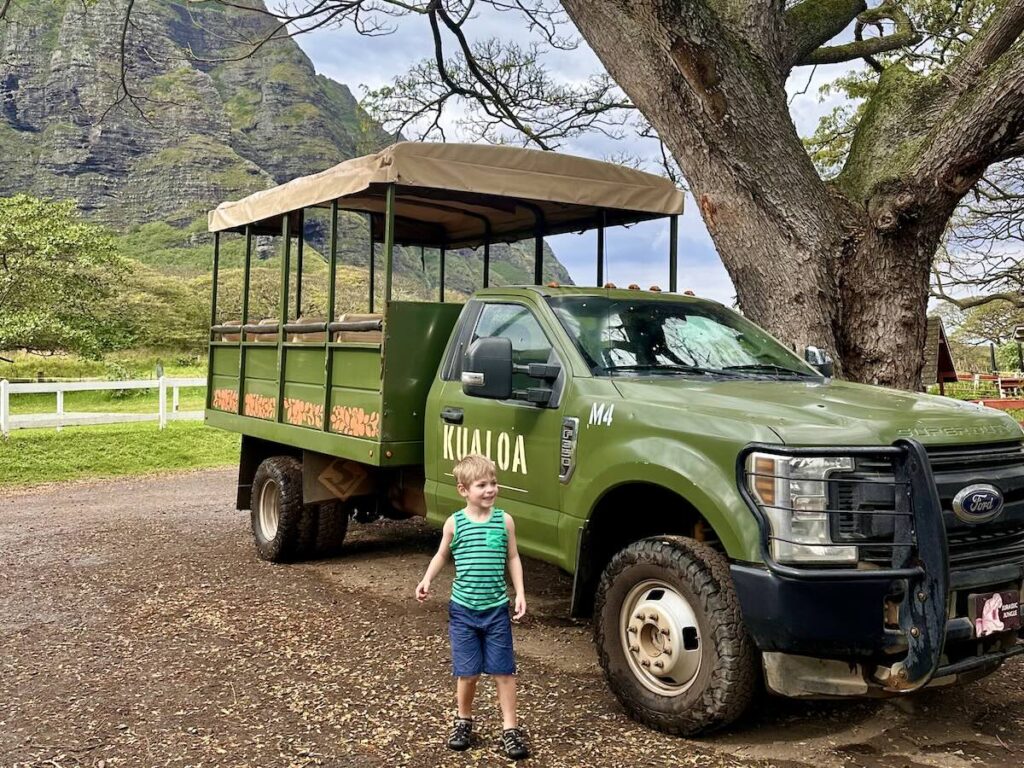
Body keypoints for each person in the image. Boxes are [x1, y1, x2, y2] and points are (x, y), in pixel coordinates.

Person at [415, 453, 529, 760]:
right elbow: (442, 555)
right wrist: (427, 579)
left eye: (493, 483)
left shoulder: (504, 521)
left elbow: (513, 558)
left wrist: (519, 592)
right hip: (463, 611)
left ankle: (510, 728)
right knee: (468, 673)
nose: (491, 489)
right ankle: (463, 720)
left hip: (496, 611)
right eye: (482, 485)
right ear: (464, 490)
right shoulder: (455, 523)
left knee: (504, 672)